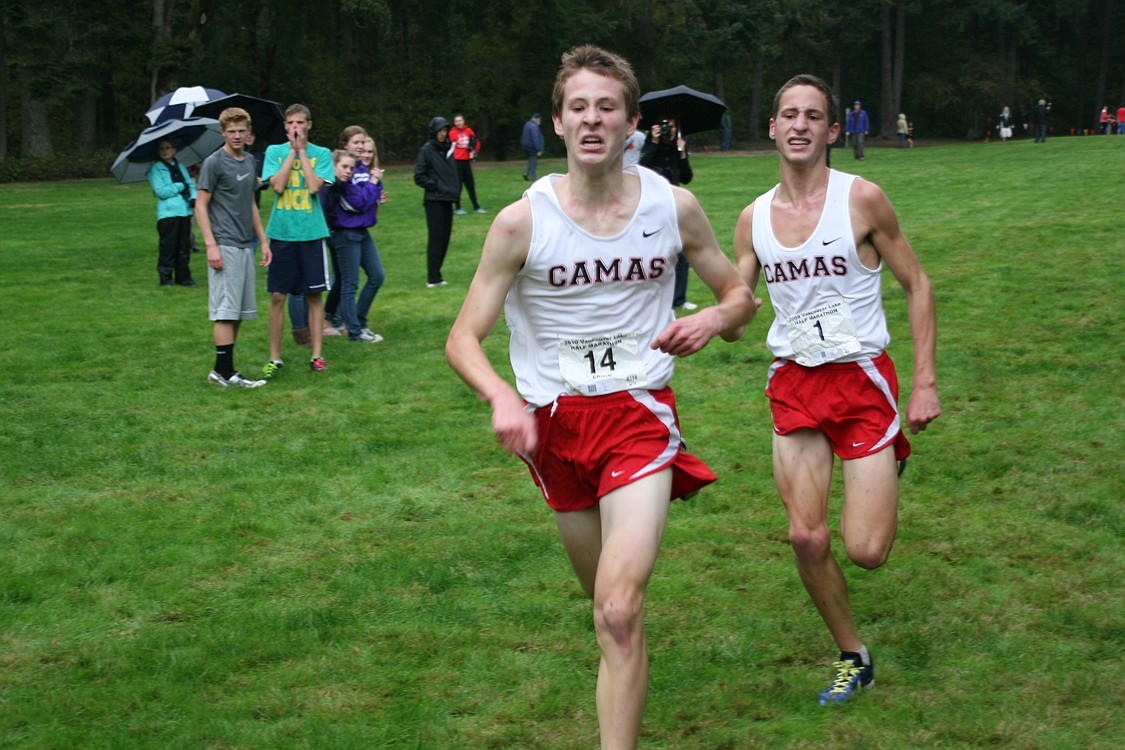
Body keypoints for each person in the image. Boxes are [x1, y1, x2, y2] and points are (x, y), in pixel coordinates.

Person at [445, 45, 757, 749]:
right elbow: (462, 337)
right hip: (553, 425)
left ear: (631, 122)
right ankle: (628, 667)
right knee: (607, 608)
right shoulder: (521, 222)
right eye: (578, 108)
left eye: (606, 108)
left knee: (616, 610)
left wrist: (714, 317)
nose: (592, 120)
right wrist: (501, 397)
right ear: (558, 122)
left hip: (638, 416)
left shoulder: (670, 205)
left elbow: (739, 298)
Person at [733, 73, 940, 707]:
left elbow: (918, 285)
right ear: (772, 128)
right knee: (805, 536)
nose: (799, 125)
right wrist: (714, 317)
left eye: (813, 115)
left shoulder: (862, 200)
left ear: (830, 129)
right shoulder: (752, 220)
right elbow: (738, 308)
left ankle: (880, 459)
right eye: (788, 115)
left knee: (867, 551)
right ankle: (854, 655)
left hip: (859, 380)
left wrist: (925, 380)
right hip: (793, 379)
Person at [194, 107, 271, 388]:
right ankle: (224, 373)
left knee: (238, 311)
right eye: (231, 131)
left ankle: (223, 370)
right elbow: (201, 206)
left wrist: (262, 240)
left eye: (242, 131)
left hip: (244, 245)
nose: (237, 136)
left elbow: (250, 203)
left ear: (248, 133)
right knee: (225, 311)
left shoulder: (249, 162)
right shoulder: (214, 163)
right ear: (222, 132)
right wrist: (211, 245)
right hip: (223, 243)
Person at [261, 103, 335, 376]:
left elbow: (315, 187)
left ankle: (317, 355)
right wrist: (292, 152)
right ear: (285, 126)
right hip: (282, 232)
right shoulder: (274, 152)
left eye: (300, 123)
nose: (296, 128)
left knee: (313, 294)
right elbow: (278, 186)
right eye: (291, 123)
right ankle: (275, 357)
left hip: (312, 233)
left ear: (309, 125)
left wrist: (302, 151)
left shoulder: (322, 154)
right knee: (278, 295)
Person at [320, 148, 385, 344]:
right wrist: (372, 186)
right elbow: (361, 203)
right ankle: (354, 331)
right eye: (344, 167)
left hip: (361, 232)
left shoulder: (346, 184)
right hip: (344, 235)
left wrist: (373, 191)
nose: (348, 171)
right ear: (333, 166)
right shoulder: (333, 186)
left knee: (377, 275)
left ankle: (357, 322)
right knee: (350, 283)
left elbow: (370, 198)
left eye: (351, 168)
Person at [639, 117, 696, 311]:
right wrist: (654, 142)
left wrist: (682, 153)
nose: (667, 130)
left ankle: (679, 299)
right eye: (665, 125)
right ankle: (651, 296)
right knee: (652, 252)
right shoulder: (650, 143)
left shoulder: (678, 146)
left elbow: (686, 177)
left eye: (671, 126)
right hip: (652, 204)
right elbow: (641, 168)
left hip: (674, 204)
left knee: (681, 253)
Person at [414, 116, 460, 288]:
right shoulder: (427, 150)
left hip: (447, 199)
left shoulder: (449, 148)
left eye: (444, 130)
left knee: (445, 239)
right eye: (439, 130)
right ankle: (432, 277)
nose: (442, 134)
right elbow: (419, 176)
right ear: (433, 132)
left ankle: (437, 274)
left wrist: (454, 191)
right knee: (436, 238)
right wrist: (436, 185)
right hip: (434, 201)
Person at [147, 138, 197, 287]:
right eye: (162, 148)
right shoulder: (155, 169)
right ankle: (166, 278)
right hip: (168, 214)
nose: (165, 151)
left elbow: (191, 185)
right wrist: (180, 186)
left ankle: (184, 277)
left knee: (183, 248)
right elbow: (161, 191)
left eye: (168, 148)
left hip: (185, 211)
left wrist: (194, 197)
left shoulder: (180, 166)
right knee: (168, 247)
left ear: (174, 150)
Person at [449, 114, 486, 214]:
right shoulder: (452, 133)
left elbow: (475, 142)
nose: (458, 123)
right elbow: (449, 148)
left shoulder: (469, 131)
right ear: (454, 123)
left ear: (464, 121)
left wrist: (474, 151)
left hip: (466, 161)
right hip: (457, 162)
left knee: (470, 185)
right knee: (458, 185)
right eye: (456, 121)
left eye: (460, 120)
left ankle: (476, 207)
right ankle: (457, 207)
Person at [520, 112, 545, 181]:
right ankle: (533, 179)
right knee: (534, 162)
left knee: (531, 160)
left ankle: (526, 172)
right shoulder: (534, 127)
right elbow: (535, 138)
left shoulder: (527, 124)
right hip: (532, 147)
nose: (540, 121)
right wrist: (539, 149)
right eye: (539, 119)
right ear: (536, 119)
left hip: (525, 146)